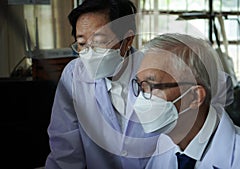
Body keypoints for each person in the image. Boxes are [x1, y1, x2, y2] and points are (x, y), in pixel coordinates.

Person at [131, 33, 240, 169]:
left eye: (151, 86)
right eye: (140, 86)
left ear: (195, 97)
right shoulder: (165, 145)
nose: (140, 98)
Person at [45, 0, 159, 168]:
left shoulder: (157, 72)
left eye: (99, 42)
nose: (89, 53)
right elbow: (66, 149)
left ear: (127, 40)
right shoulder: (73, 75)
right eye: (82, 44)